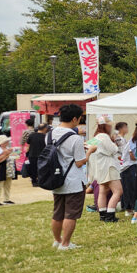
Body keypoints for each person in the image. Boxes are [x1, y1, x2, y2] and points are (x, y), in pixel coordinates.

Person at [48, 104, 94, 250]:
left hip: (56, 178)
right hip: (73, 180)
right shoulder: (75, 138)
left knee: (58, 212)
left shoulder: (49, 134)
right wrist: (90, 151)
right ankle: (66, 243)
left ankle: (57, 240)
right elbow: (80, 162)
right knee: (71, 214)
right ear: (74, 118)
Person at [88, 116, 123, 222]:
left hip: (99, 168)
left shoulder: (96, 137)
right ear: (106, 125)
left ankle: (102, 214)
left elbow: (89, 148)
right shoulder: (104, 136)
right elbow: (114, 150)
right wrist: (115, 142)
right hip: (109, 166)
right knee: (118, 191)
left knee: (103, 191)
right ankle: (110, 214)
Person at [115, 121, 137, 216]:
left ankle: (127, 207)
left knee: (126, 187)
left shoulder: (122, 139)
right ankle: (128, 208)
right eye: (126, 127)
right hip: (124, 164)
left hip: (123, 164)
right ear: (121, 128)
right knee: (128, 187)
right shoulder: (119, 139)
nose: (127, 129)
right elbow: (125, 153)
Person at [0, 134, 18, 205]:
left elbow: (16, 157)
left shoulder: (8, 148)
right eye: (5, 142)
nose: (7, 143)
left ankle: (6, 199)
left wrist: (15, 152)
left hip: (10, 169)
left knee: (8, 185)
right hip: (2, 169)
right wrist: (7, 154)